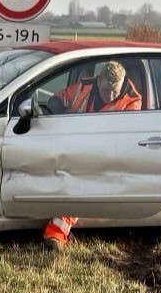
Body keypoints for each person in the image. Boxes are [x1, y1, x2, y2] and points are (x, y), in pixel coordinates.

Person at [42, 60, 143, 251]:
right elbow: (59, 97)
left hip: (104, 156)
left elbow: (125, 139)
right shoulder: (84, 86)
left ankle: (56, 234)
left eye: (115, 91)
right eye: (106, 91)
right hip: (73, 145)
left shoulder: (132, 101)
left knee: (77, 185)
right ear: (98, 81)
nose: (110, 96)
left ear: (122, 84)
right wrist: (57, 110)